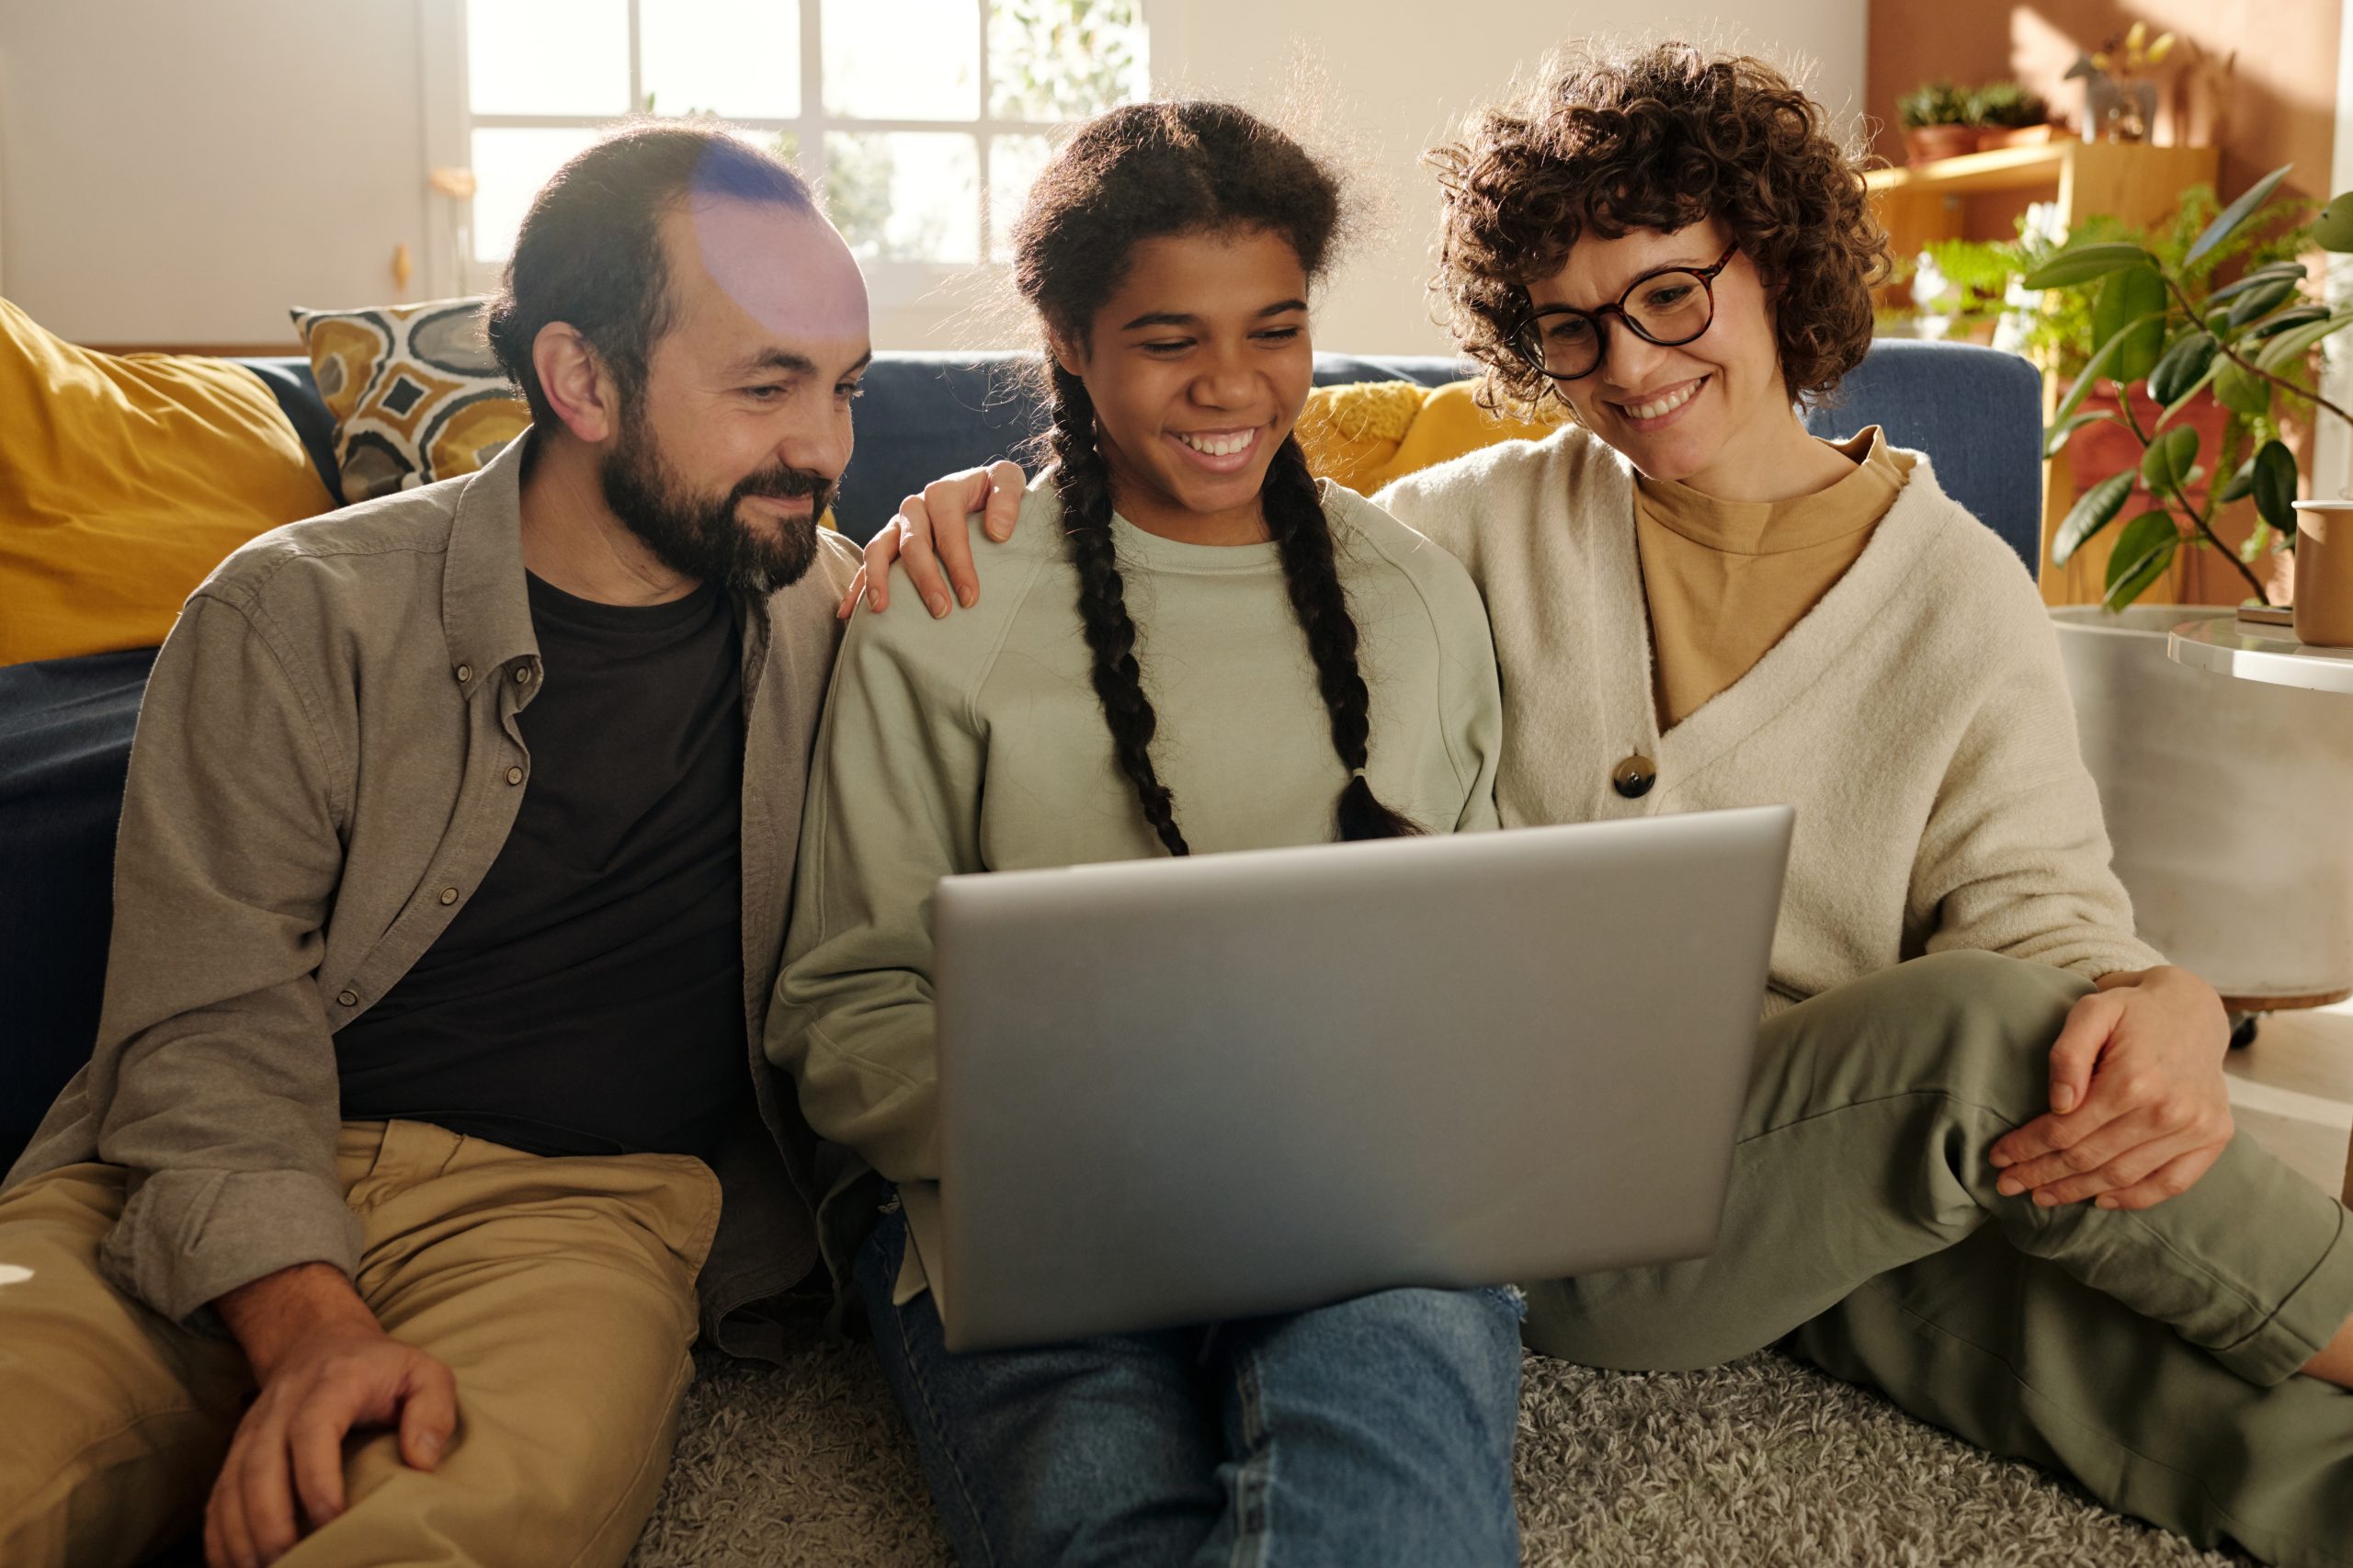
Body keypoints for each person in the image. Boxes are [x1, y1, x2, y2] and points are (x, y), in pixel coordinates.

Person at [853, 45, 2353, 1565]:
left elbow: (2047, 921)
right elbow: (1207, 509)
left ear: (1772, 263)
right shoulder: (1473, 525)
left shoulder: (1958, 586)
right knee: (1982, 1036)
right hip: (1524, 1179)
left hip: (1800, 1173)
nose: (1630, 365)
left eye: (1670, 298)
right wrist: (982, 495)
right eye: (1572, 330)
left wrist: (2157, 991)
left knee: (2068, 1338)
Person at [0, 123, 869, 1568]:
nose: (827, 446)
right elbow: (201, 1027)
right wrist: (307, 1320)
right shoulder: (291, 612)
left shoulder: (843, 607)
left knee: (467, 1529)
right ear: (580, 379)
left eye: (844, 387)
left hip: (574, 1214)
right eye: (767, 386)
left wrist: (996, 520)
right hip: (186, 1172)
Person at [767, 102, 1521, 1566]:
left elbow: (1482, 959)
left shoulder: (1421, 604)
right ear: (1067, 337)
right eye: (1171, 338)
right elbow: (843, 1010)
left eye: (1278, 328)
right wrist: (1119, 1133)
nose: (1231, 384)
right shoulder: (948, 608)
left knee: (1392, 1521)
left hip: (1350, 1204)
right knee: (1101, 1526)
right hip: (1017, 1214)